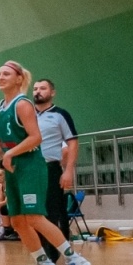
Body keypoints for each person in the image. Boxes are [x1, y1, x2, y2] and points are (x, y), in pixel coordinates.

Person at [0, 61, 91, 265]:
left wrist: (10, 153)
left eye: (6, 74)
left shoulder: (23, 104)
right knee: (19, 222)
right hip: (13, 168)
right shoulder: (2, 106)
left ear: (19, 79)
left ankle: (74, 260)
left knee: (35, 218)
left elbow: (35, 138)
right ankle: (45, 264)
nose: (0, 77)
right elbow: (5, 143)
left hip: (31, 166)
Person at [32, 79, 80, 240]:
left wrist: (68, 170)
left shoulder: (60, 114)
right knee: (33, 212)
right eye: (35, 88)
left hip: (50, 169)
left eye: (43, 88)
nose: (38, 91)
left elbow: (72, 142)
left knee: (53, 212)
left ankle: (57, 253)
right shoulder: (27, 115)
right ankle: (43, 256)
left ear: (52, 92)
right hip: (30, 170)